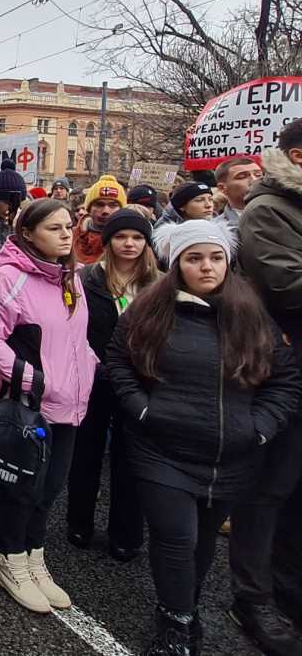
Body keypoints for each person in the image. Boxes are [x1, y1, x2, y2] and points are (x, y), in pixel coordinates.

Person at [107, 220, 301, 655]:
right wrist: (142, 408)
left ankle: (184, 609)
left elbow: (284, 379)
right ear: (177, 265)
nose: (206, 267)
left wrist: (261, 427)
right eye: (194, 258)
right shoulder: (150, 311)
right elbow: (118, 360)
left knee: (203, 540)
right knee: (176, 536)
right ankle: (176, 625)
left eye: (215, 258)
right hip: (163, 449)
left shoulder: (252, 316)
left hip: (229, 455)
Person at [0, 198, 95, 614]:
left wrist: (87, 371)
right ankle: (9, 558)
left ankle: (34, 555)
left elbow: (76, 339)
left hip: (70, 404)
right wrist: (32, 379)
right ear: (28, 233)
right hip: (30, 405)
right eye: (54, 228)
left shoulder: (71, 276)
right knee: (23, 487)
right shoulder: (9, 278)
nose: (65, 234)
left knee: (50, 487)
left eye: (67, 227)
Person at [231, 118, 302, 653]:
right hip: (285, 366)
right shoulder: (269, 209)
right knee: (270, 487)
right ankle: (254, 598)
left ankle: (290, 588)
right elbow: (285, 283)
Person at [65, 208, 159, 562]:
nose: (129, 244)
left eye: (137, 238)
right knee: (86, 452)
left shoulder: (158, 283)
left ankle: (126, 534)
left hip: (139, 382)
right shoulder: (87, 279)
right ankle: (79, 522)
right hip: (93, 377)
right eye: (121, 237)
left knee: (130, 457)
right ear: (108, 242)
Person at [73, 175, 127, 265]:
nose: (105, 211)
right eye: (99, 204)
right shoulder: (71, 237)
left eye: (113, 205)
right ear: (89, 208)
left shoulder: (131, 241)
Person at [213, 156, 262, 238]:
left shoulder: (283, 213)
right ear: (222, 188)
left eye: (258, 175)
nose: (254, 180)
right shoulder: (215, 229)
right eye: (242, 177)